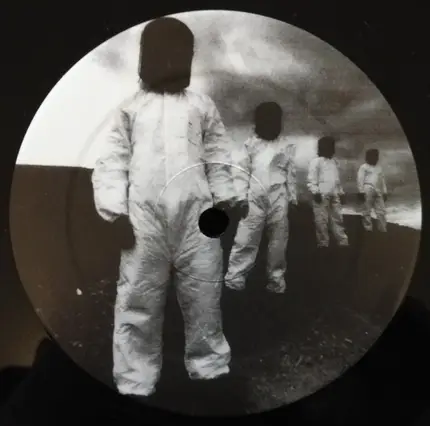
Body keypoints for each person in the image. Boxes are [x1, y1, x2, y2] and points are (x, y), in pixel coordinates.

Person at [91, 17, 246, 399]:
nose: (172, 62)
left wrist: (227, 200)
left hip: (197, 220)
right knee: (138, 299)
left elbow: (217, 155)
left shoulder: (201, 106)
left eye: (181, 55)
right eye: (164, 54)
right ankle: (135, 381)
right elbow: (112, 160)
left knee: (204, 296)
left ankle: (210, 369)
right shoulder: (131, 108)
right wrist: (114, 212)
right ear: (147, 58)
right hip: (143, 222)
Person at [224, 102, 298, 294]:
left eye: (275, 121)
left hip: (279, 198)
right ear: (258, 122)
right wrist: (241, 198)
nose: (272, 125)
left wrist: (293, 198)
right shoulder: (250, 145)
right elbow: (240, 173)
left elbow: (291, 174)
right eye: (267, 121)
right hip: (254, 199)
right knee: (246, 239)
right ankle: (235, 278)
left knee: (278, 243)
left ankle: (276, 280)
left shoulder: (287, 146)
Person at [307, 136, 349, 248]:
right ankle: (323, 243)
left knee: (337, 218)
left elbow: (337, 180)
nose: (332, 150)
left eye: (332, 147)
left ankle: (342, 241)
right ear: (322, 148)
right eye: (329, 147)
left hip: (334, 194)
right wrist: (315, 192)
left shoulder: (334, 162)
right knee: (321, 220)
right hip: (321, 195)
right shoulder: (316, 162)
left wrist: (341, 193)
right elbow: (312, 179)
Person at [357, 148, 388, 232]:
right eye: (374, 156)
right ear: (368, 157)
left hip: (377, 189)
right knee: (367, 210)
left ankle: (382, 229)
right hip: (367, 188)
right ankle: (368, 229)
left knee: (381, 210)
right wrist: (361, 191)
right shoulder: (364, 167)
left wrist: (385, 191)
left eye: (376, 156)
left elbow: (382, 180)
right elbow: (360, 179)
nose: (376, 158)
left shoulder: (379, 168)